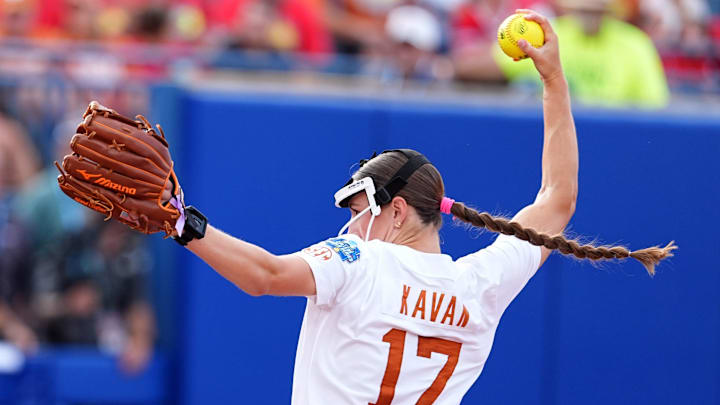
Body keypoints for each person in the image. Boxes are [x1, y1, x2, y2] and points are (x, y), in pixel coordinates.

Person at [57, 10, 675, 403]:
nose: (351, 221)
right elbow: (558, 199)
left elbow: (265, 276)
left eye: (362, 206)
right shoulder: (479, 285)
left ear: (398, 210)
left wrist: (181, 222)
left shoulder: (359, 259)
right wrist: (555, 79)